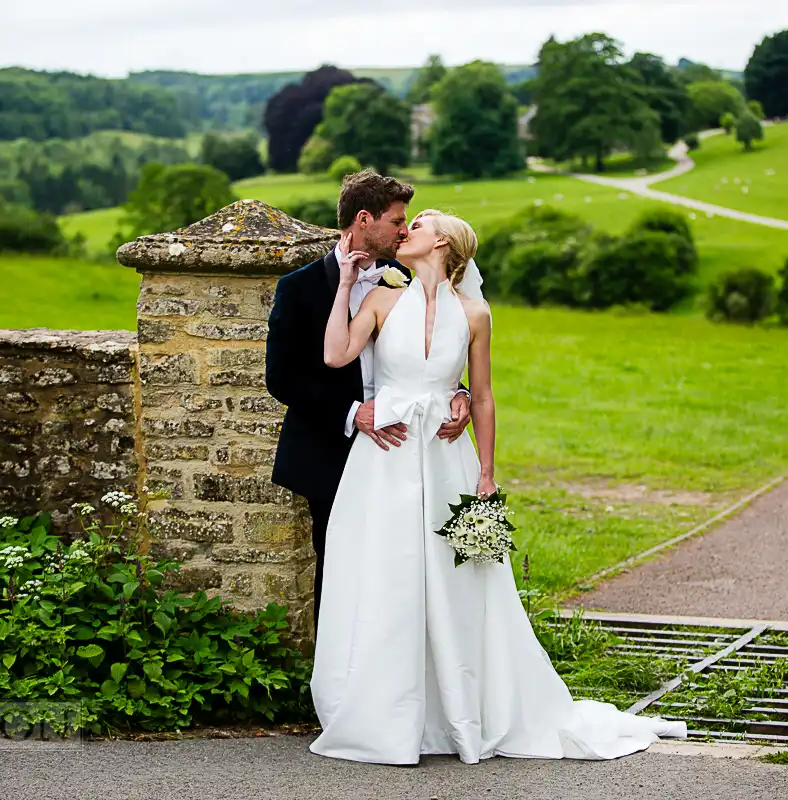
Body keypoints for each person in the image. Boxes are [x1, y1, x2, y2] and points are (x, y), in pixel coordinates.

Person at [309, 208, 687, 765]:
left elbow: (481, 396)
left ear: (443, 243)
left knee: (456, 581)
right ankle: (387, 713)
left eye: (419, 225)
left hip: (446, 458)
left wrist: (486, 474)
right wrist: (344, 285)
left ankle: (460, 709)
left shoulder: (475, 313)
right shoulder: (381, 301)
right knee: (388, 574)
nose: (406, 229)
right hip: (384, 458)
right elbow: (335, 354)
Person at [265, 170, 472, 623]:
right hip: (330, 449)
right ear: (364, 219)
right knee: (340, 565)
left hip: (408, 448)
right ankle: (339, 680)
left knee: (408, 563)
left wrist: (459, 393)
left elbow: (437, 352)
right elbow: (282, 378)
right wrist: (354, 413)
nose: (404, 229)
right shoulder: (298, 289)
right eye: (398, 220)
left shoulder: (406, 277)